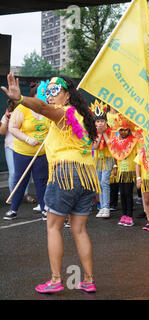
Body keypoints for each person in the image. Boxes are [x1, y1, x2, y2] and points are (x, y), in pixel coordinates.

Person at [2, 74, 100, 293]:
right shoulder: (81, 116)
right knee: (80, 230)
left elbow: (44, 109)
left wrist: (21, 100)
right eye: (49, 91)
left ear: (67, 96)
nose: (51, 95)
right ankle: (88, 279)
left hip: (65, 172)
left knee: (53, 227)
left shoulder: (64, 113)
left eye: (56, 91)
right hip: (86, 175)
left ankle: (56, 280)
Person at [4, 82, 50, 221]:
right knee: (21, 179)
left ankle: (44, 209)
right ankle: (13, 209)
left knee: (41, 180)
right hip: (22, 151)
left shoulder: (48, 110)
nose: (42, 99)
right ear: (32, 97)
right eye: (39, 96)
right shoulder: (22, 109)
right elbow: (12, 128)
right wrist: (27, 139)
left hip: (41, 153)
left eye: (45, 96)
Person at [108, 114, 141, 227]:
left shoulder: (134, 141)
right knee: (122, 194)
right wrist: (115, 167)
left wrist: (138, 175)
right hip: (121, 172)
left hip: (130, 171)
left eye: (126, 130)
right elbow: (115, 155)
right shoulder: (115, 141)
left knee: (128, 193)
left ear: (129, 130)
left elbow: (138, 156)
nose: (123, 132)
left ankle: (130, 216)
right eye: (121, 130)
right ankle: (124, 215)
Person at [91, 100, 113, 218]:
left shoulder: (110, 131)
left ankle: (106, 207)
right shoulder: (94, 132)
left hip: (108, 158)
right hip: (97, 159)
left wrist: (104, 133)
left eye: (102, 121)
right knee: (99, 183)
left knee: (105, 182)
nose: (100, 123)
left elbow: (111, 145)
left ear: (106, 122)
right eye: (98, 121)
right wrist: (99, 134)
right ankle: (102, 206)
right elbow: (94, 146)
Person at [107, 106, 120, 211]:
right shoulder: (106, 115)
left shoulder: (121, 115)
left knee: (117, 173)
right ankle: (110, 202)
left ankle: (114, 202)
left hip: (119, 143)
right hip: (107, 143)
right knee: (110, 174)